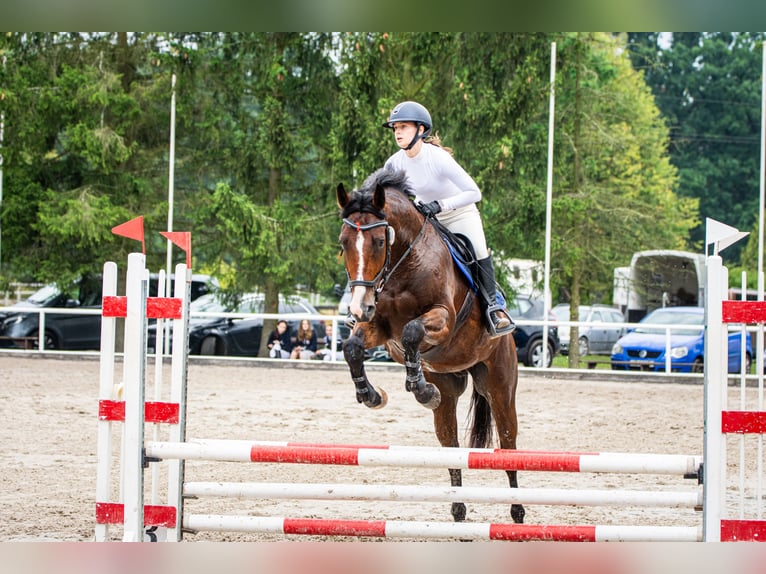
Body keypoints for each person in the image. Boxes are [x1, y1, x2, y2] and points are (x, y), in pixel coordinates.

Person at [382, 100, 514, 337]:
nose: (397, 132)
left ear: (421, 130)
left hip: (460, 213)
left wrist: (440, 205)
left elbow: (474, 192)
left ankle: (494, 308)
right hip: (428, 217)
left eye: (403, 126)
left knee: (479, 250)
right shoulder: (393, 163)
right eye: (395, 128)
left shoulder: (438, 158)